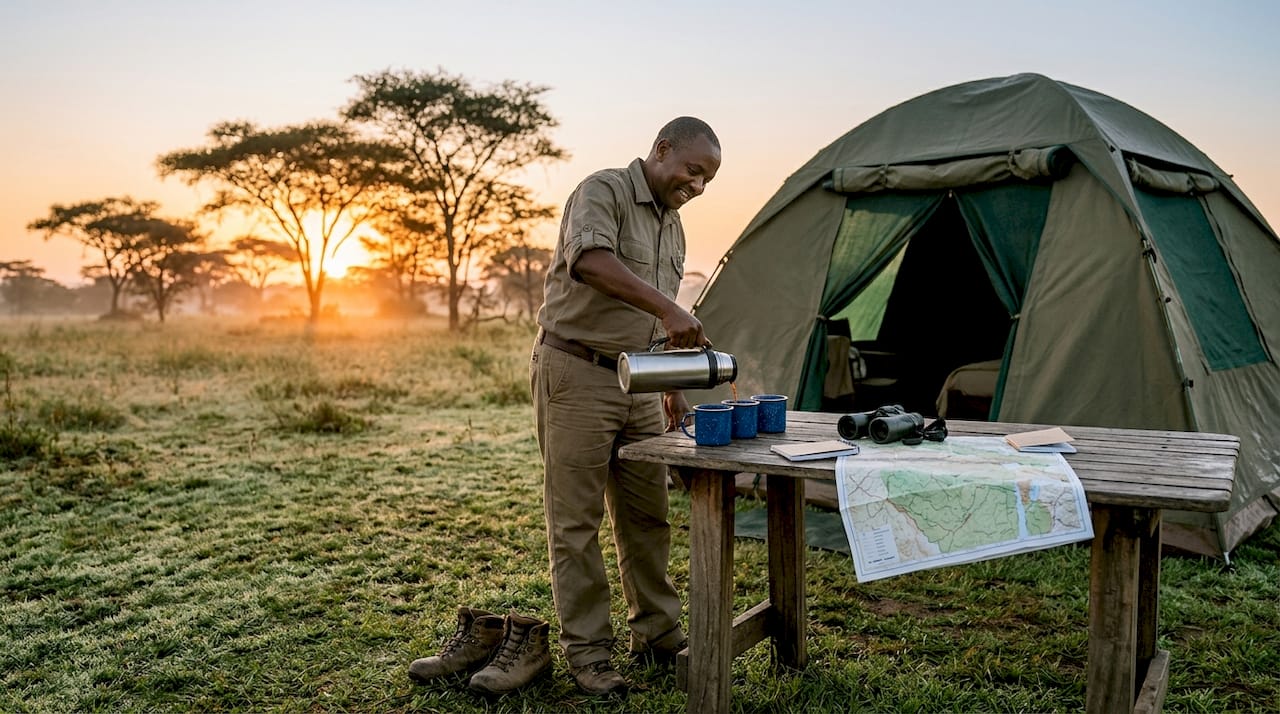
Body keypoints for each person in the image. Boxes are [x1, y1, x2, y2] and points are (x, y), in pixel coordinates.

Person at [529, 116, 721, 696]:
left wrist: (672, 386)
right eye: (694, 170)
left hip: (639, 383)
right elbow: (590, 262)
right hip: (577, 373)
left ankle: (659, 636)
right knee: (576, 522)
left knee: (647, 514)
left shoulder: (675, 227)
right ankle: (589, 654)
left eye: (709, 179)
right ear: (662, 150)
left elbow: (653, 321)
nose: (699, 186)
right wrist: (669, 308)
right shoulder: (603, 190)